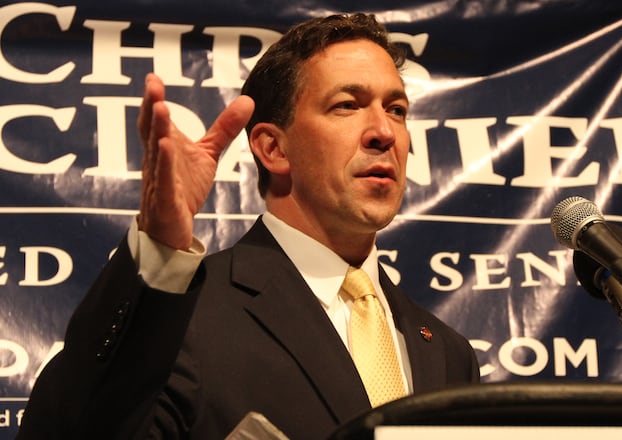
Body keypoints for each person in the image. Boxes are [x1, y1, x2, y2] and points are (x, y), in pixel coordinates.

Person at [17, 13, 480, 440]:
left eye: (396, 109)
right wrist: (159, 249)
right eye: (347, 105)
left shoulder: (447, 351)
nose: (384, 131)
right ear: (273, 149)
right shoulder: (181, 320)